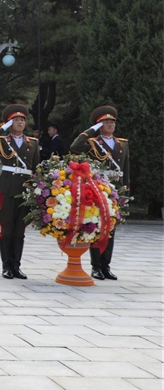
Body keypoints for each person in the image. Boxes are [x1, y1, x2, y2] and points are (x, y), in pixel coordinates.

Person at [0, 104, 40, 280]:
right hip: (8, 186)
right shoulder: (2, 141)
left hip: (25, 189)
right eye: (15, 120)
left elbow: (36, 168)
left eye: (22, 120)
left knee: (20, 229)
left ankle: (16, 266)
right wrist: (1, 129)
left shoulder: (32, 143)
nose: (20, 123)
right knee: (7, 227)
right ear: (9, 124)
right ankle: (6, 266)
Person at [70, 105, 129, 280]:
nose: (111, 125)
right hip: (98, 188)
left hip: (115, 190)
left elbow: (126, 169)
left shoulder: (123, 144)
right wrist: (92, 130)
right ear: (99, 125)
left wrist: (125, 191)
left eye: (112, 122)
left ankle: (106, 265)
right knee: (97, 227)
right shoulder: (93, 143)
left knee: (111, 229)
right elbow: (75, 145)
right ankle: (96, 266)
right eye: (106, 122)